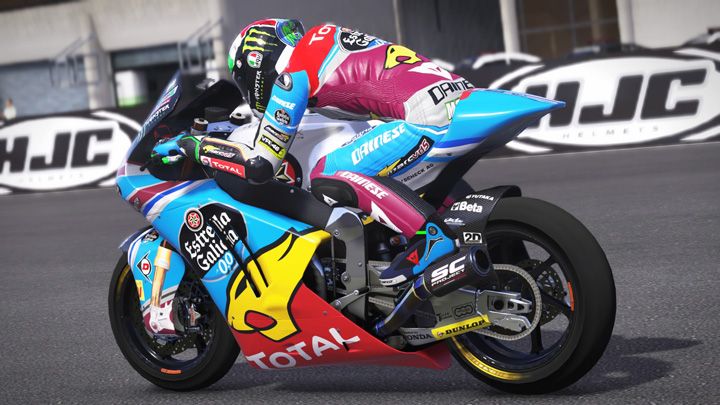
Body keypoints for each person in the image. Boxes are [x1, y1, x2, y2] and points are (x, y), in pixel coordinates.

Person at [152, 19, 475, 287]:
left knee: (327, 173)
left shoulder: (293, 75)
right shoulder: (323, 44)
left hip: (428, 116)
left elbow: (261, 164)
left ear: (255, 66)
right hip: (460, 98)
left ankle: (430, 237)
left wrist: (192, 145)